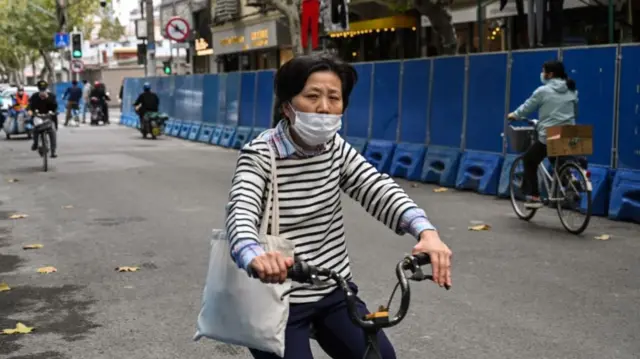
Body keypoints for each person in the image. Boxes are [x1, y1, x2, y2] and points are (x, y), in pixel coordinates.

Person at [225, 55, 453, 359]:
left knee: (380, 356)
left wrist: (426, 231)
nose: (324, 107)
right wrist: (254, 256)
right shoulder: (259, 156)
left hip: (333, 289)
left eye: (334, 97)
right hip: (273, 297)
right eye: (312, 96)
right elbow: (241, 212)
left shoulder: (336, 148)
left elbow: (376, 186)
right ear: (287, 106)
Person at [507, 60, 579, 208]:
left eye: (543, 71)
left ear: (550, 74)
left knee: (529, 160)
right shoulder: (572, 90)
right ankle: (570, 178)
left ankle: (534, 196)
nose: (542, 74)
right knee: (557, 159)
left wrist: (514, 115)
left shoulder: (543, 91)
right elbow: (575, 112)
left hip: (551, 134)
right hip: (572, 133)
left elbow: (527, 107)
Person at [27, 80, 58, 158]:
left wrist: (47, 98)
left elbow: (55, 107)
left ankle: (53, 151)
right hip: (37, 116)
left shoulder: (51, 96)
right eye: (41, 89)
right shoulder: (34, 96)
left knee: (52, 132)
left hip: (48, 117)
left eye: (44, 89)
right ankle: (35, 143)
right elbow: (29, 106)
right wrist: (30, 111)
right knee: (35, 130)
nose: (42, 91)